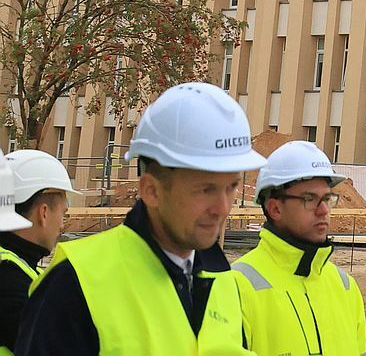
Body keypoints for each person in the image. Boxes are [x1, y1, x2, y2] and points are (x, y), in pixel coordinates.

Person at [15, 82, 265, 355]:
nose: (223, 207)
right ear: (151, 190)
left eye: (232, 187)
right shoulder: (76, 283)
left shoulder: (221, 278)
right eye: (205, 190)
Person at [228, 141, 366, 355]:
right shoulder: (235, 288)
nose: (323, 210)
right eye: (309, 199)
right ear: (275, 208)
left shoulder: (345, 286)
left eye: (327, 199)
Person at [0, 150, 80, 355]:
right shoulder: (11, 281)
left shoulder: (17, 268)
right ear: (43, 213)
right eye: (63, 213)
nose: (62, 224)